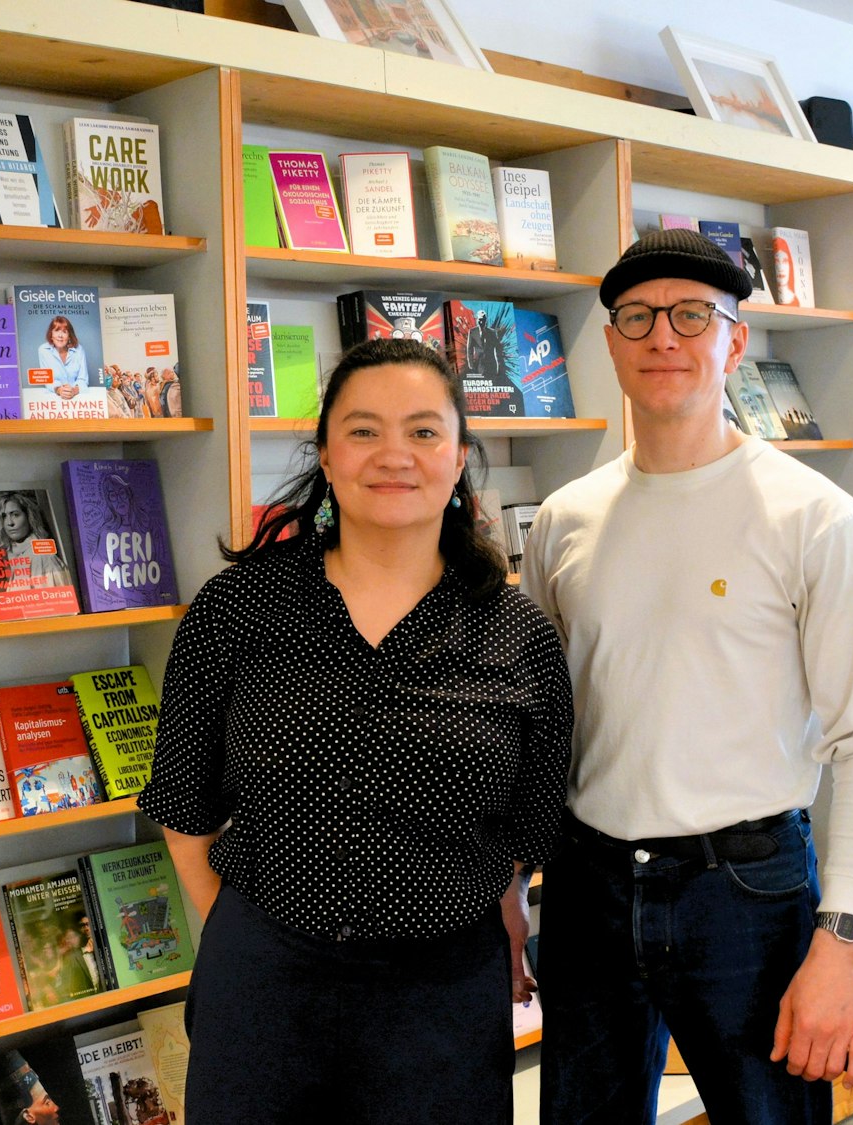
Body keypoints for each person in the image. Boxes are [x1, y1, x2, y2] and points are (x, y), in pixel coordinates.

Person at [524, 229, 853, 1125]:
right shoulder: (562, 521)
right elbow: (538, 728)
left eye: (692, 315)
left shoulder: (815, 518)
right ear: (613, 343)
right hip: (588, 885)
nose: (664, 337)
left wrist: (842, 946)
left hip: (749, 892)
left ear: (734, 340)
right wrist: (515, 887)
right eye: (637, 317)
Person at [138, 336, 574, 1123]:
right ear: (327, 455)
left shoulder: (519, 635)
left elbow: (531, 822)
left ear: (459, 457)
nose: (394, 454)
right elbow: (183, 807)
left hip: (443, 995)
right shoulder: (238, 608)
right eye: (364, 430)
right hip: (265, 983)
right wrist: (244, 941)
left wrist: (498, 898)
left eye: (423, 431)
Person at [0, 491, 72, 588]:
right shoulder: (14, 557)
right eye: (4, 517)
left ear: (29, 516)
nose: (9, 522)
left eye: (15, 515)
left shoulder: (42, 557)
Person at [36, 316, 89, 400]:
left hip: (77, 397)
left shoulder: (79, 350)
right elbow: (47, 380)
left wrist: (74, 391)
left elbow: (83, 379)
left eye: (64, 332)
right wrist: (59, 390)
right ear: (51, 334)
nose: (60, 335)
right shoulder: (43, 350)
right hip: (54, 397)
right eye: (56, 331)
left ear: (69, 336)